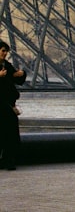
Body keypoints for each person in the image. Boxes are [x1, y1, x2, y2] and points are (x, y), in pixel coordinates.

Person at [0, 40, 26, 171]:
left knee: (9, 132)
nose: (5, 54)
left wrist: (20, 74)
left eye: (6, 51)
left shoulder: (7, 65)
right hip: (2, 105)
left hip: (7, 104)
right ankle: (7, 160)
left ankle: (8, 160)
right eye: (3, 51)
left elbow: (16, 79)